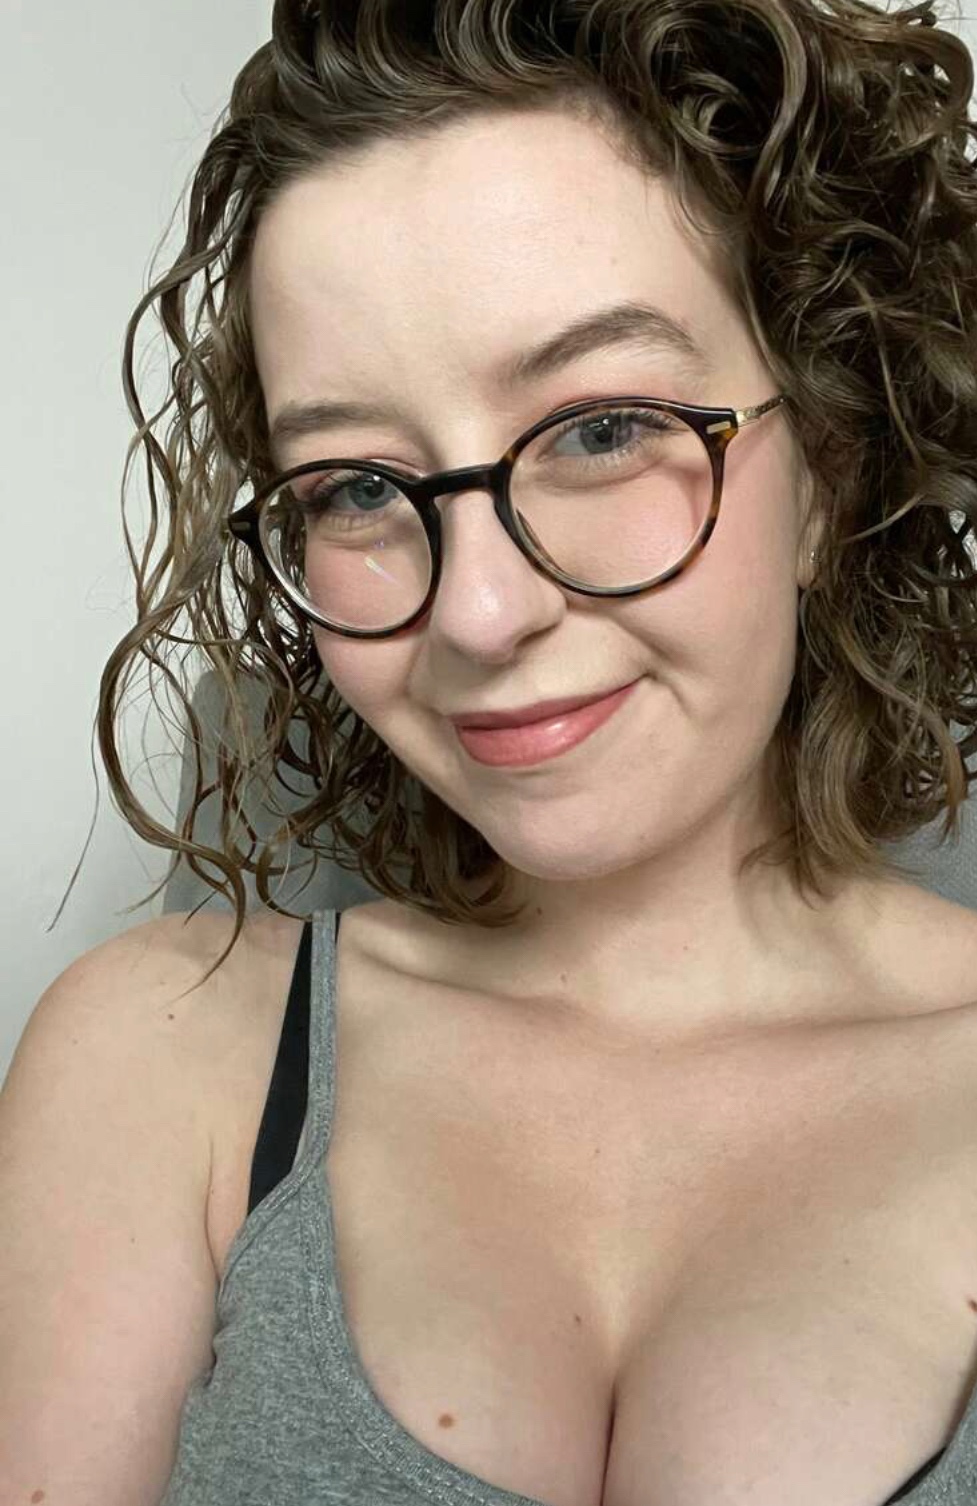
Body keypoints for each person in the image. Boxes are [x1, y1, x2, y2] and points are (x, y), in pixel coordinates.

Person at [3, 0, 977, 1501]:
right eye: (352, 486)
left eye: (600, 429)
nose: (477, 610)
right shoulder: (163, 1057)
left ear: (831, 466)